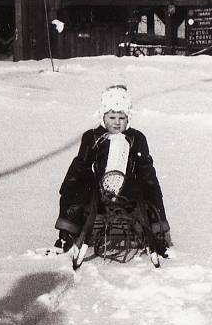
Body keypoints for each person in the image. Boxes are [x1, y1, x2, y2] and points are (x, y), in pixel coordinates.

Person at [54, 84, 171, 256]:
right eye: (112, 117)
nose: (117, 122)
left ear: (128, 118)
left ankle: (157, 234)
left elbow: (145, 167)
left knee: (150, 188)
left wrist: (149, 183)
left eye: (121, 117)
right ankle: (67, 233)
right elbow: (82, 163)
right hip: (99, 188)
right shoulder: (93, 136)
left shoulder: (136, 138)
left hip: (128, 188)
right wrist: (71, 182)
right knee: (77, 187)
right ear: (103, 116)